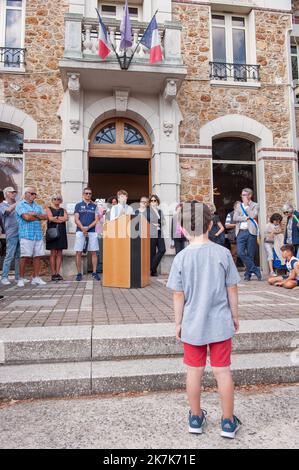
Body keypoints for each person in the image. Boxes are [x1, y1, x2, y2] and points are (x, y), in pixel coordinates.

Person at [166, 202, 241, 439]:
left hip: (192, 324)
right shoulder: (223, 253)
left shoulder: (180, 258)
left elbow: (179, 295)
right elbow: (232, 289)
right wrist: (235, 316)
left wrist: (178, 322)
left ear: (182, 228)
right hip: (219, 322)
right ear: (210, 224)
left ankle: (196, 417)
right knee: (223, 372)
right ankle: (228, 422)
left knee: (194, 372)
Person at [15, 187, 48, 287]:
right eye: (32, 194)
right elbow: (26, 217)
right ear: (26, 194)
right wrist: (37, 216)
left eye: (35, 194)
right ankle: (20, 278)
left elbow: (45, 217)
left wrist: (34, 214)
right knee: (24, 256)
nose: (35, 196)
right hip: (26, 234)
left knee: (37, 256)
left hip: (37, 234)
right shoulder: (20, 205)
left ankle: (36, 277)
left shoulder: (37, 206)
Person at [234, 188, 262, 281]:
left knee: (250, 254)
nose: (243, 197)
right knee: (240, 252)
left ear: (249, 196)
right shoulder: (238, 206)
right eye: (242, 195)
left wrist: (247, 206)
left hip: (251, 232)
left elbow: (253, 215)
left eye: (244, 195)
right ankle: (255, 269)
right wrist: (246, 218)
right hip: (241, 232)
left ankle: (247, 275)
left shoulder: (255, 205)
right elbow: (235, 217)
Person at [74, 187, 100, 282]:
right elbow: (76, 219)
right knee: (78, 252)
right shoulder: (78, 205)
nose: (88, 195)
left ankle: (94, 272)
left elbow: (96, 219)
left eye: (90, 193)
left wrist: (88, 228)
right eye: (86, 193)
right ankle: (79, 273)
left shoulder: (95, 206)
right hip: (80, 231)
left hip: (92, 231)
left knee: (94, 252)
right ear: (83, 194)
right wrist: (82, 228)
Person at [0, 187, 21, 285]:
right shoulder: (2, 205)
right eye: (12, 192)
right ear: (6, 194)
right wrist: (18, 203)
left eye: (14, 192)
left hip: (20, 233)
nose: (14, 194)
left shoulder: (16, 204)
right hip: (11, 233)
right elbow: (7, 211)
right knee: (9, 256)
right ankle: (4, 277)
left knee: (19, 256)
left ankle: (17, 277)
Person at [46, 193, 68, 281]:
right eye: (55, 199)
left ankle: (58, 273)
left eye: (58, 199)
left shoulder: (64, 209)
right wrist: (60, 219)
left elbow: (66, 218)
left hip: (61, 232)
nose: (56, 200)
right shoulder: (48, 208)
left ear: (61, 200)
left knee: (59, 253)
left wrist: (56, 218)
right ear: (52, 200)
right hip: (52, 233)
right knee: (53, 253)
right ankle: (53, 273)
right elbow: (50, 218)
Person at [149, 194, 166, 276]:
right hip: (151, 234)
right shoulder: (147, 211)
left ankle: (151, 267)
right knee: (152, 252)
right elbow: (146, 221)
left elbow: (163, 221)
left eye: (154, 200)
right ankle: (153, 271)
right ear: (150, 202)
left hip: (159, 233)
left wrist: (159, 223)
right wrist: (152, 224)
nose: (153, 202)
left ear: (157, 202)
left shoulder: (160, 211)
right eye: (151, 201)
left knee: (162, 249)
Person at [95, 199, 107, 275]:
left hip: (107, 233)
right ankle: (98, 268)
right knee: (98, 251)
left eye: (102, 203)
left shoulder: (107, 210)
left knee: (105, 251)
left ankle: (105, 267)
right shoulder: (96, 211)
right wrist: (101, 215)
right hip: (97, 232)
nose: (100, 204)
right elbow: (96, 220)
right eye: (99, 203)